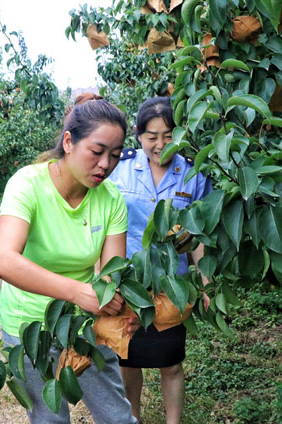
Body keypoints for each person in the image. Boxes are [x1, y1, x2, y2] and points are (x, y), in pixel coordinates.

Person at [0, 93, 138, 424]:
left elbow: (111, 272)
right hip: (29, 326)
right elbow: (3, 260)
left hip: (83, 322)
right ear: (69, 142)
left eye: (115, 156)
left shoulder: (111, 199)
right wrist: (78, 292)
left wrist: (120, 304)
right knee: (49, 418)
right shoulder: (27, 185)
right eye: (97, 152)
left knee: (117, 416)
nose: (105, 165)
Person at [109, 97, 211, 424]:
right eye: (151, 136)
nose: (160, 144)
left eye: (168, 135)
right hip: (127, 283)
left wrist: (206, 281)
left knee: (171, 363)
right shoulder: (119, 169)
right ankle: (132, 418)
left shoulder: (193, 173)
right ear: (138, 136)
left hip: (172, 286)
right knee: (128, 362)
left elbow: (199, 236)